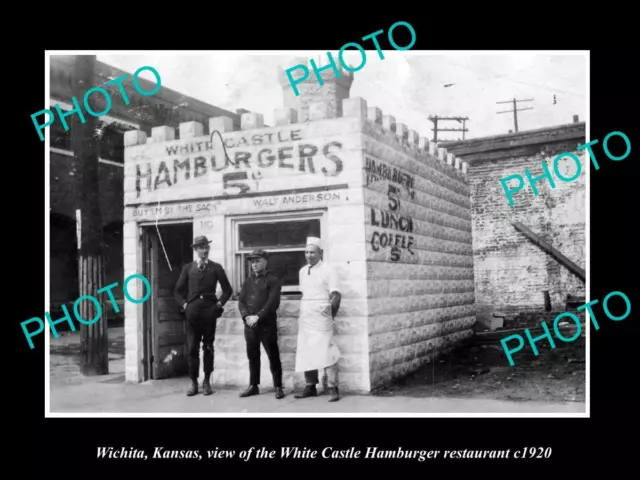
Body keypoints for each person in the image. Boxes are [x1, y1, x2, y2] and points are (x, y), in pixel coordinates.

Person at [174, 235, 233, 397]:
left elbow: (228, 290)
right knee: (192, 348)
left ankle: (207, 381)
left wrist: (218, 305)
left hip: (209, 312)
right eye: (201, 247)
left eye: (206, 247)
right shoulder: (188, 268)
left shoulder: (216, 267)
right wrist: (185, 305)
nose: (204, 250)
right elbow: (178, 291)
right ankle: (193, 381)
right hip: (192, 313)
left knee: (208, 347)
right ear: (195, 249)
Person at [293, 237, 342, 402]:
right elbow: (306, 294)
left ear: (320, 253)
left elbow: (335, 296)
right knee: (307, 351)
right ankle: (310, 386)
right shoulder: (302, 271)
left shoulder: (329, 269)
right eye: (306, 252)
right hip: (306, 317)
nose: (309, 255)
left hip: (322, 318)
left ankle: (333, 387)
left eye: (312, 252)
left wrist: (330, 316)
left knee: (327, 351)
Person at [237, 249, 284, 399]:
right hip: (250, 326)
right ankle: (253, 386)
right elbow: (241, 301)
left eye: (258, 261)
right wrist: (246, 317)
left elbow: (272, 303)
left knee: (273, 355)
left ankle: (278, 386)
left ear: (265, 261)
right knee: (253, 356)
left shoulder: (273, 280)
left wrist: (258, 316)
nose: (255, 264)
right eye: (252, 262)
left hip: (267, 325)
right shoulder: (248, 281)